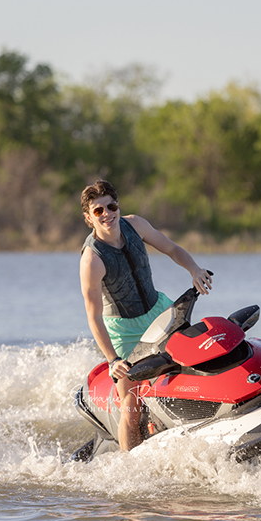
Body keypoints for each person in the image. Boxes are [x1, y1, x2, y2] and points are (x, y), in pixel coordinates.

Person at [79, 180, 212, 451]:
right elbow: (93, 316)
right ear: (89, 218)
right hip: (123, 331)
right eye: (98, 211)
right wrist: (112, 359)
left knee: (195, 360)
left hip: (158, 311)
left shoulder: (135, 225)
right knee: (132, 402)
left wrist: (194, 270)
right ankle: (130, 470)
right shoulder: (91, 260)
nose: (107, 214)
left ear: (118, 206)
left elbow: (172, 249)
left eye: (111, 206)